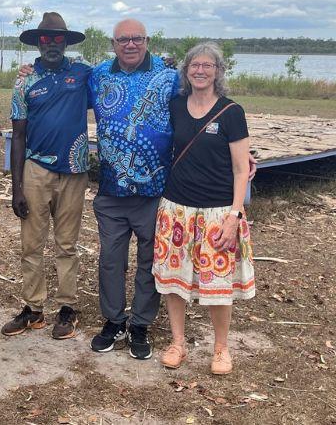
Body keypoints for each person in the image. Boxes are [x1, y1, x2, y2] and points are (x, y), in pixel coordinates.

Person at [153, 42, 254, 375]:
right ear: (186, 71)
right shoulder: (175, 106)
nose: (200, 70)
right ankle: (178, 342)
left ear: (218, 72)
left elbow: (242, 169)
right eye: (194, 65)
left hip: (217, 211)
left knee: (217, 284)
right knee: (174, 280)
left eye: (207, 65)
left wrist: (234, 215)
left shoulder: (231, 112)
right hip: (177, 208)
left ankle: (222, 348)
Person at [87, 19, 180, 360]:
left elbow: (197, 113)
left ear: (147, 40)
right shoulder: (97, 75)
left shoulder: (171, 77)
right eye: (123, 39)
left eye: (136, 39)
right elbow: (62, 92)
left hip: (155, 191)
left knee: (150, 261)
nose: (130, 44)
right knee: (110, 260)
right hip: (111, 191)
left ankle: (140, 324)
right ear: (113, 43)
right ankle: (113, 320)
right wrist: (27, 74)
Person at [1, 12, 91, 340]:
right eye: (45, 39)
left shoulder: (83, 74)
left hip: (74, 171)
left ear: (65, 42)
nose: (51, 44)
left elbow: (112, 93)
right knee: (31, 244)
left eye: (57, 39)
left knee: (67, 244)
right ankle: (34, 309)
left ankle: (67, 307)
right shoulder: (24, 79)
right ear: (38, 42)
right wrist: (16, 187)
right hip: (36, 170)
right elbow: (18, 135)